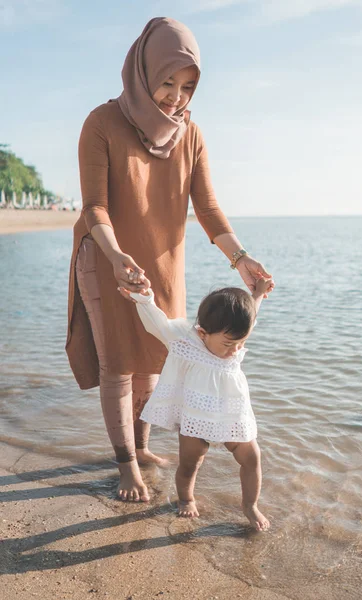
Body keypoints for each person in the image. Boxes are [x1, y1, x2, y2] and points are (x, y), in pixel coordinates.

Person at [66, 17, 273, 503]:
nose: (176, 97)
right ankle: (125, 465)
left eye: (188, 87)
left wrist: (240, 259)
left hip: (161, 262)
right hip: (107, 257)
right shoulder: (102, 123)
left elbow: (207, 208)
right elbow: (94, 206)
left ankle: (141, 445)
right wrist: (115, 256)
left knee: (157, 358)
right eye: (167, 82)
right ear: (143, 71)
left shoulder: (192, 135)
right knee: (119, 363)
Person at [118, 278, 273, 531]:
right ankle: (186, 498)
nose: (235, 351)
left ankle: (250, 505)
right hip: (196, 417)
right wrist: (144, 298)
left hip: (232, 415)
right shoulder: (186, 341)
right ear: (203, 333)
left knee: (252, 457)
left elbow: (251, 313)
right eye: (228, 344)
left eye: (241, 343)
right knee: (191, 463)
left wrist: (257, 292)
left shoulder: (236, 332)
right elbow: (156, 325)